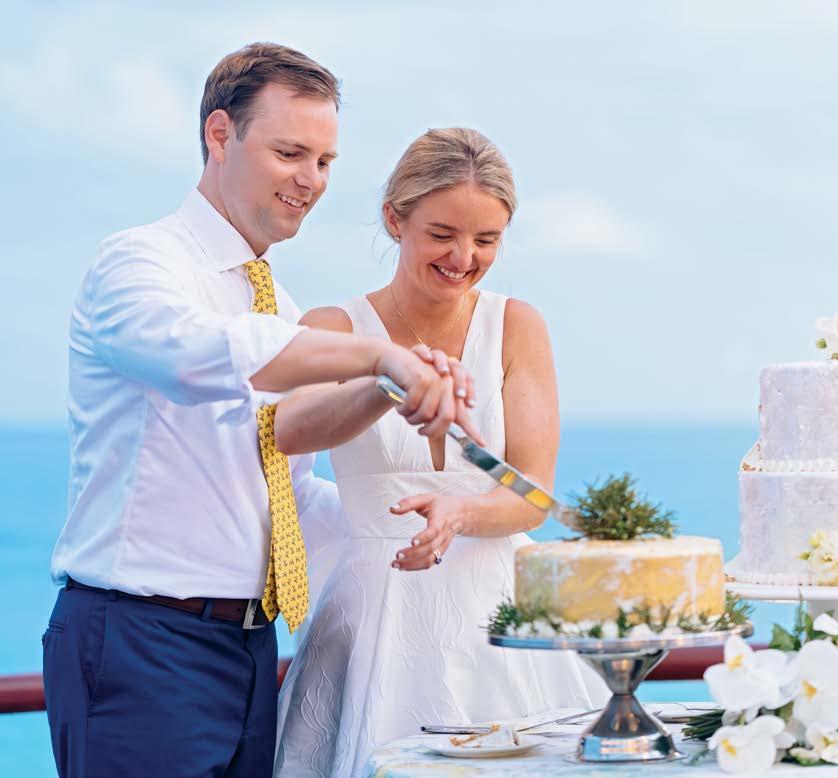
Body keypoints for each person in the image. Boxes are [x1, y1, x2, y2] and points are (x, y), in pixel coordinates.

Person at [43, 44, 477, 778]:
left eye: (325, 161)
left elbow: (283, 489)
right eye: (290, 153)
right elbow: (200, 355)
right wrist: (380, 357)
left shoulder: (281, 306)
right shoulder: (139, 263)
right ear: (220, 134)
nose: (312, 180)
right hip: (140, 640)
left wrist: (427, 519)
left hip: (249, 649)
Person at [274, 128, 606, 778]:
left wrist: (460, 513)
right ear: (394, 219)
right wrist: (383, 381)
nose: (463, 257)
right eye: (442, 234)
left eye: (486, 240)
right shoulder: (330, 328)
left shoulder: (517, 325)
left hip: (500, 618)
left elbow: (532, 493)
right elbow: (290, 430)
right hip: (374, 614)